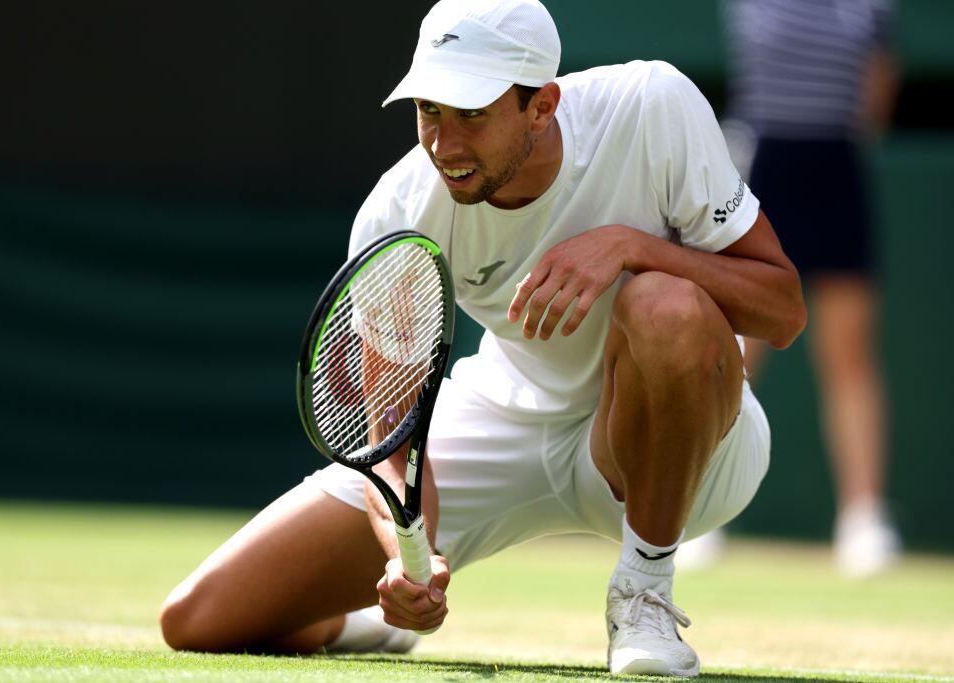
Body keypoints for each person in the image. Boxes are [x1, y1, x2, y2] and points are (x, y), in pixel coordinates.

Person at [158, 0, 805, 676]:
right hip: (502, 419)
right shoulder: (399, 210)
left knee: (663, 302)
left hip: (692, 454)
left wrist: (630, 246)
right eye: (429, 111)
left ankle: (644, 593)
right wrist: (409, 559)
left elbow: (783, 311)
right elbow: (392, 432)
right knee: (201, 618)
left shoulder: (652, 106)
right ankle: (361, 626)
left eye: (471, 113)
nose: (445, 144)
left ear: (542, 106)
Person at [679, 0, 900, 577]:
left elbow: (877, 92)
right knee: (737, 350)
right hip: (765, 162)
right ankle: (701, 510)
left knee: (849, 351)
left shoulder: (873, 6)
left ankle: (863, 517)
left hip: (837, 167)